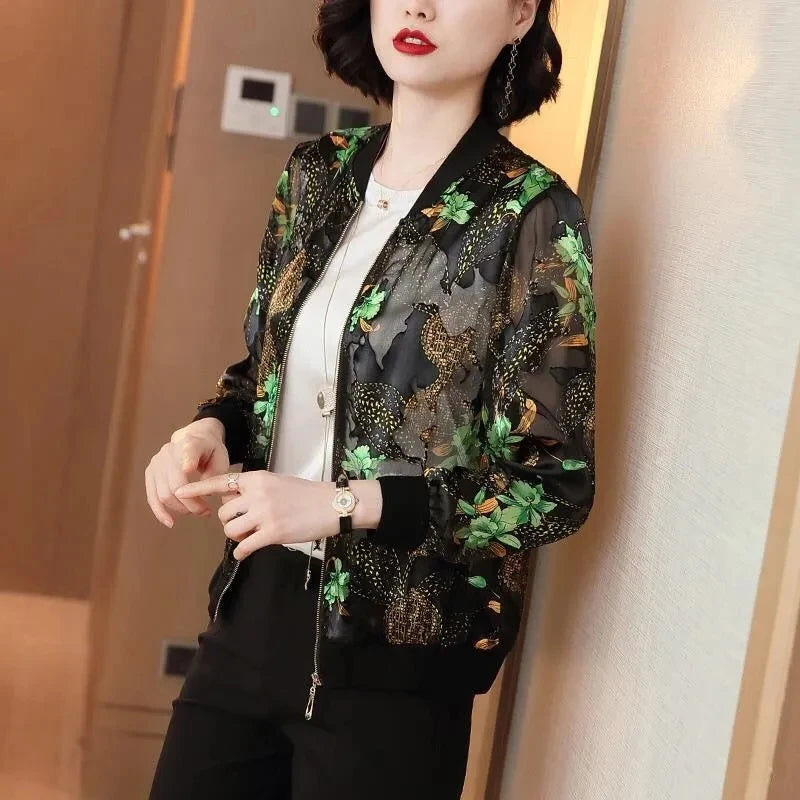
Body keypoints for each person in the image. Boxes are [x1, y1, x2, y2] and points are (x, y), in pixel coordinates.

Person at [145, 0, 597, 797]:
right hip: (253, 611)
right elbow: (261, 374)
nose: (418, 5)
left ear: (521, 13)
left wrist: (343, 504)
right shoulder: (315, 174)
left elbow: (551, 486)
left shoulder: (531, 214)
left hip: (399, 665)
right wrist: (210, 429)